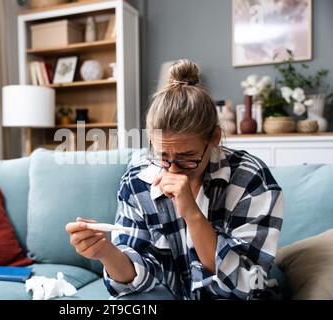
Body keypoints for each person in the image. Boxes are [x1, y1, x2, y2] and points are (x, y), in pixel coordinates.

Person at [66, 60, 283, 300]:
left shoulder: (251, 179)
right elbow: (138, 276)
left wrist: (192, 214)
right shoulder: (138, 180)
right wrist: (105, 251)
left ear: (214, 137)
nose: (173, 169)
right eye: (162, 155)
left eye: (188, 156)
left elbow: (248, 285)